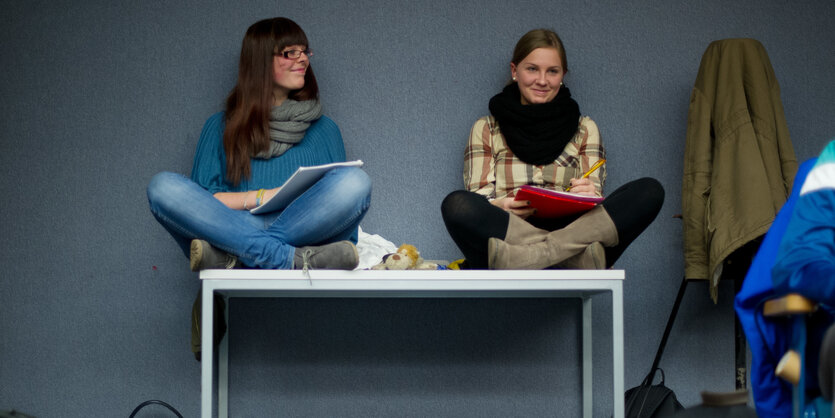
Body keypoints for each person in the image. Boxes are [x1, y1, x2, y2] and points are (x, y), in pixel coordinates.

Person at [147, 17, 371, 271]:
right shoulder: (220, 126)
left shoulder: (325, 129)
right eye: (291, 52)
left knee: (356, 182)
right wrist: (265, 196)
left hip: (300, 229)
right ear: (260, 62)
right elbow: (203, 205)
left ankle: (234, 255)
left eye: (304, 51)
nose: (304, 59)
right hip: (236, 224)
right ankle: (285, 258)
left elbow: (338, 218)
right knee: (162, 186)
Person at [441, 29, 663, 269]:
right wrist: (501, 204)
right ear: (515, 71)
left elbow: (595, 194)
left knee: (649, 191)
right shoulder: (487, 127)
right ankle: (569, 258)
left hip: (572, 231)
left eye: (552, 71)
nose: (543, 80)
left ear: (563, 75)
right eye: (532, 69)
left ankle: (531, 258)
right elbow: (479, 195)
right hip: (511, 233)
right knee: (457, 205)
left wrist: (589, 192)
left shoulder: (585, 128)